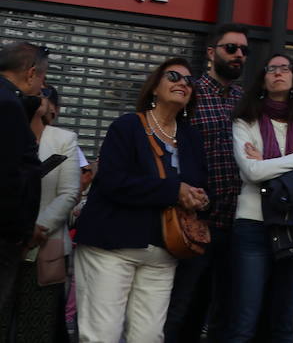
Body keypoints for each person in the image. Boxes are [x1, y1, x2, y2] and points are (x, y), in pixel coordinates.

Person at [74, 58, 210, 343]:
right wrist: (173, 190)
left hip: (163, 252)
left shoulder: (192, 137)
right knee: (102, 336)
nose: (183, 83)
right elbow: (112, 182)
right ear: (154, 88)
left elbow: (198, 184)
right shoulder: (127, 127)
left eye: (189, 81)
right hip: (111, 247)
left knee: (149, 337)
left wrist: (198, 198)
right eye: (174, 76)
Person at [226, 53, 293, 343]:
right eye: (271, 69)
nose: (278, 73)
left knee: (285, 323)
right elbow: (251, 172)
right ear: (263, 78)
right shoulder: (245, 121)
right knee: (244, 319)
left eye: (285, 68)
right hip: (252, 225)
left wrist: (268, 163)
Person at [164, 23, 247, 343]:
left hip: (238, 224)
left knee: (224, 314)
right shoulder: (190, 93)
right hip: (195, 221)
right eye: (231, 48)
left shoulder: (246, 99)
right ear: (211, 53)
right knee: (181, 309)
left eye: (244, 50)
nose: (239, 54)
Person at [11, 87, 80, 342]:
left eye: (41, 93)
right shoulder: (9, 135)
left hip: (43, 246)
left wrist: (37, 228)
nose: (33, 96)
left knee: (37, 328)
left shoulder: (63, 139)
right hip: (8, 241)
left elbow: (69, 193)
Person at [0, 41, 46, 333]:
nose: (43, 86)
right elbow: (10, 177)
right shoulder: (7, 106)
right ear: (30, 74)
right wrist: (19, 232)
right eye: (43, 77)